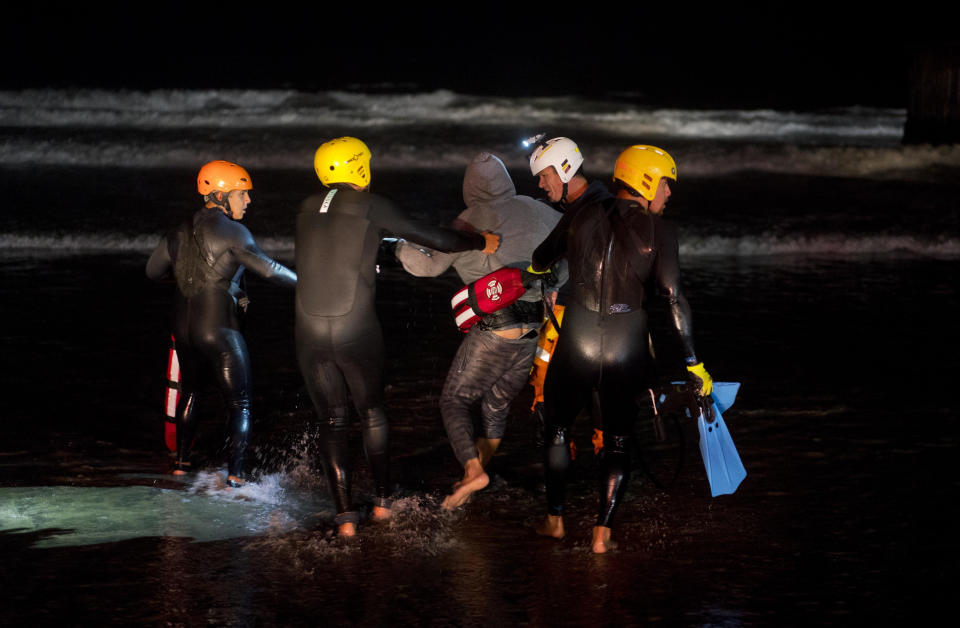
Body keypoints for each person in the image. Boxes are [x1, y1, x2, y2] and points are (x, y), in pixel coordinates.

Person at [295, 137, 499, 537]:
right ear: (359, 167)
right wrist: (480, 241)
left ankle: (345, 520)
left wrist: (379, 248)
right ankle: (384, 505)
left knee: (332, 421)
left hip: (307, 333)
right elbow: (434, 238)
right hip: (355, 329)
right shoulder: (373, 205)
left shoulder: (304, 208)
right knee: (371, 412)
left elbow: (339, 246)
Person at [530, 145, 713, 553]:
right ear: (647, 180)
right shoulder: (661, 231)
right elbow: (673, 299)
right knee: (616, 442)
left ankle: (555, 520)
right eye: (666, 183)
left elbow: (541, 258)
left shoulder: (582, 213)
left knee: (558, 430)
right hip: (625, 346)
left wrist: (540, 272)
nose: (668, 193)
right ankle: (601, 535)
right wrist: (694, 364)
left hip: (576, 340)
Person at [395, 152, 564, 509]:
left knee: (454, 401)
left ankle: (474, 472)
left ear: (468, 187)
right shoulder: (542, 211)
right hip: (532, 333)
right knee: (496, 404)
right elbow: (567, 261)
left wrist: (398, 248)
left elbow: (428, 267)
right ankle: (478, 472)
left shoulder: (468, 222)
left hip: (495, 332)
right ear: (507, 181)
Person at [146, 160, 297, 486]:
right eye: (243, 194)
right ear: (221, 194)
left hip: (184, 332)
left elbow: (152, 272)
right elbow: (270, 269)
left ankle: (180, 465)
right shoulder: (233, 231)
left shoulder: (177, 230)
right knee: (240, 404)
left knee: (191, 394)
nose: (248, 201)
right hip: (219, 330)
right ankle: (236, 476)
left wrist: (188, 279)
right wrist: (308, 282)